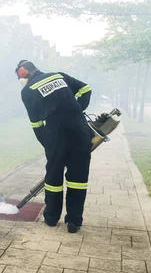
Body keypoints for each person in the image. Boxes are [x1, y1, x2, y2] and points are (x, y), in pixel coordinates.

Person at [15, 60, 93, 233]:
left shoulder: (28, 91)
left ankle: (51, 218)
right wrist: (76, 112)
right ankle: (74, 222)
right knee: (78, 179)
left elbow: (36, 123)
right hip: (80, 133)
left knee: (53, 179)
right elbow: (86, 89)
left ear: (22, 72)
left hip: (56, 137)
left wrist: (48, 143)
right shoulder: (59, 76)